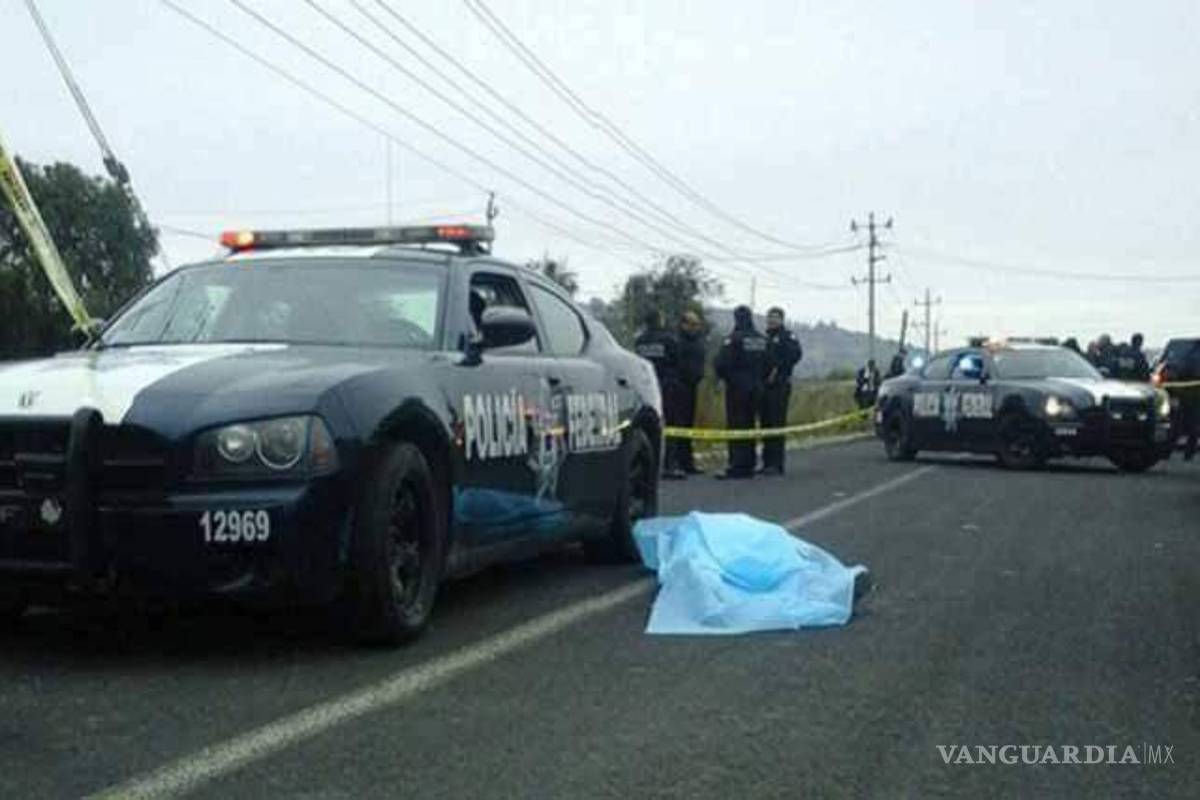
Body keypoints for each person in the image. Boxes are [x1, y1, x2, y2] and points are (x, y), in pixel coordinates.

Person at [713, 305, 767, 479]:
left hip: (737, 390)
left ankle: (737, 465)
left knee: (737, 426)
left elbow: (721, 363)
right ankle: (749, 464)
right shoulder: (761, 339)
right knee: (751, 425)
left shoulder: (734, 339)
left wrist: (726, 377)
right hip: (758, 388)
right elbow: (770, 361)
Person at [634, 310, 685, 479]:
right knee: (671, 424)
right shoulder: (669, 340)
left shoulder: (640, 341)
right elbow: (679, 363)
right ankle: (670, 465)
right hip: (668, 386)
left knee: (650, 426)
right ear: (659, 321)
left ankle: (651, 465)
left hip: (646, 387)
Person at [759, 307, 802, 475]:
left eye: (776, 318)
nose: (772, 320)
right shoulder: (764, 338)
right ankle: (766, 462)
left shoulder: (787, 336)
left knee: (777, 424)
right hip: (764, 387)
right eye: (770, 317)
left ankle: (776, 464)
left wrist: (779, 368)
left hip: (780, 385)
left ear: (782, 319)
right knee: (766, 424)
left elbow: (796, 355)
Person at [675, 310, 707, 475]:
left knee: (688, 425)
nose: (695, 327)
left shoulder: (698, 342)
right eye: (692, 324)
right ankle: (676, 462)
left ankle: (687, 463)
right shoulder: (678, 342)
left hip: (692, 387)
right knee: (678, 425)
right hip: (679, 388)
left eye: (697, 324)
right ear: (683, 325)